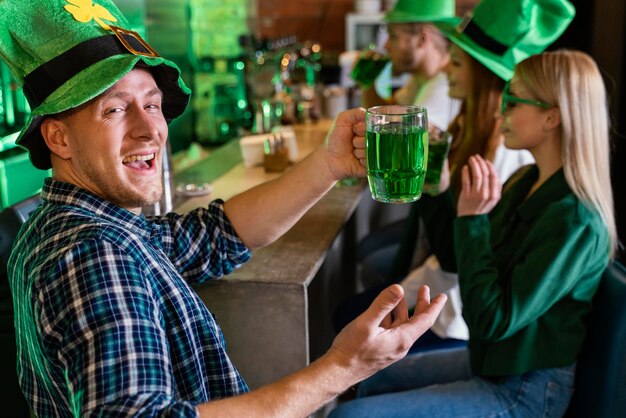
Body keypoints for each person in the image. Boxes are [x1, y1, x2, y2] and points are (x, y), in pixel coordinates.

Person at [0, 1, 448, 416]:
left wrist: (329, 166)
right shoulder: (93, 254)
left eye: (152, 104)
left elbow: (217, 234)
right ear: (58, 138)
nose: (148, 130)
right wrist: (344, 368)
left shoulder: (78, 223)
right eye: (114, 110)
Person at [330, 47, 617, 418]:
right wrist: (438, 189)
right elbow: (453, 260)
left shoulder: (575, 220)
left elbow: (490, 322)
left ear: (552, 117)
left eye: (513, 103)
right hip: (491, 363)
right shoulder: (525, 181)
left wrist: (472, 221)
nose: (501, 113)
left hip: (524, 389)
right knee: (362, 377)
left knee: (349, 416)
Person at [335, 0, 574, 352]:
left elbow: (461, 258)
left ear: (483, 75)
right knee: (351, 312)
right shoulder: (469, 127)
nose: (446, 68)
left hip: (459, 310)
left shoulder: (508, 154)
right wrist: (437, 186)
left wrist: (437, 188)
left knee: (351, 317)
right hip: (443, 281)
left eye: (457, 62)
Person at [358, 0, 461, 132]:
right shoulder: (421, 77)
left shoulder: (444, 86)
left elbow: (397, 139)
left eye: (393, 36)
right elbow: (386, 113)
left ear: (422, 39)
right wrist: (368, 80)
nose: (386, 46)